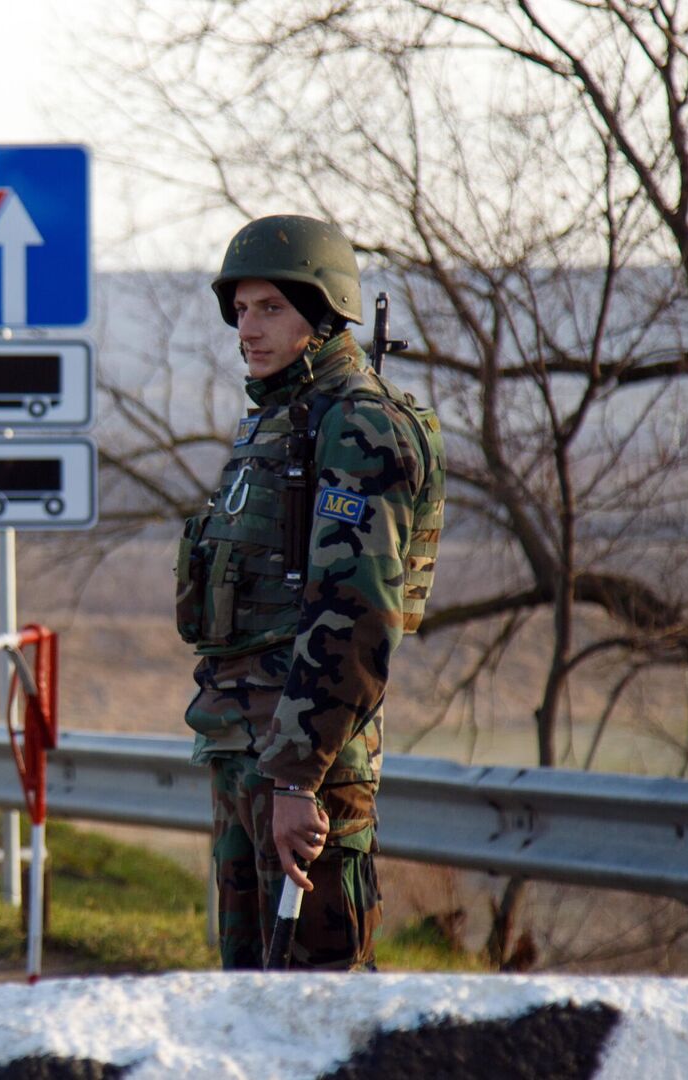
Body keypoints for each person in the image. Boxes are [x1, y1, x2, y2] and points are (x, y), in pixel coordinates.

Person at [175, 214, 446, 970]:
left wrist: (297, 776)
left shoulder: (359, 425)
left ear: (323, 315)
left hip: (306, 766)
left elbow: (356, 617)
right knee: (251, 1007)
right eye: (241, 308)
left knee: (318, 1006)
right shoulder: (276, 419)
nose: (247, 328)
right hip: (246, 751)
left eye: (271, 309)